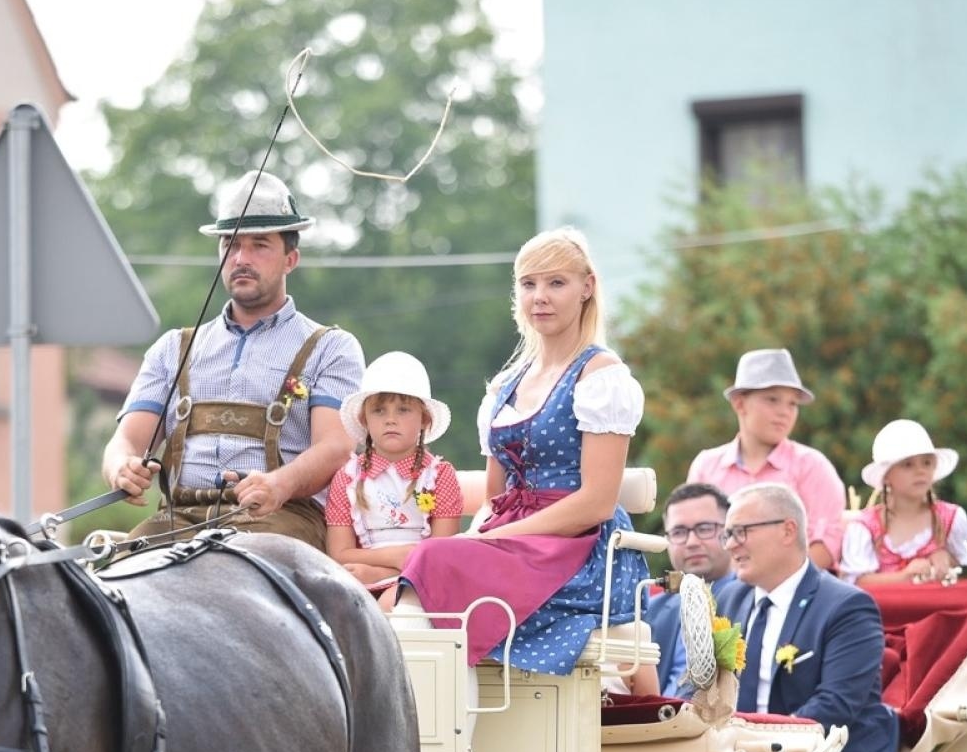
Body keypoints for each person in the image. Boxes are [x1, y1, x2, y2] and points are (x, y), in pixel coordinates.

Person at [394, 228, 656, 692]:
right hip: (515, 540)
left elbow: (595, 502)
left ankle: (439, 729)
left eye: (556, 283)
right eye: (528, 284)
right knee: (405, 574)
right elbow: (497, 496)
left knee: (434, 559)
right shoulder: (504, 386)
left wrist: (497, 539)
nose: (540, 297)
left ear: (587, 287)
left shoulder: (601, 376)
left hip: (578, 545)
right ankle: (432, 726)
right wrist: (485, 535)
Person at [101, 170, 363, 548]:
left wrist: (279, 484)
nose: (241, 258)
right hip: (176, 519)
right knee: (108, 588)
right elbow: (126, 440)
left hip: (282, 519)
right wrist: (120, 467)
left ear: (291, 258)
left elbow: (336, 447)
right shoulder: (172, 348)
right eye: (230, 243)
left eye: (260, 245)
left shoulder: (331, 348)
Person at [714, 483, 897, 752]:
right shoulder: (729, 600)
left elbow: (836, 705)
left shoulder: (846, 606)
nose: (730, 544)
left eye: (742, 531)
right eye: (727, 533)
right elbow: (711, 688)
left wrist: (758, 751)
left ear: (787, 530)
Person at [687, 348, 846, 571]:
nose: (785, 412)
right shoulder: (706, 467)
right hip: (721, 596)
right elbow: (693, 538)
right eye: (772, 400)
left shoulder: (812, 466)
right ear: (739, 404)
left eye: (792, 404)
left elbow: (828, 543)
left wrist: (774, 584)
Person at [325, 351, 463, 587]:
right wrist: (395, 558)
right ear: (364, 420)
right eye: (379, 411)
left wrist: (379, 574)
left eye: (403, 410)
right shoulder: (347, 478)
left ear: (424, 420)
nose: (390, 420)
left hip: (423, 580)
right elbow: (339, 554)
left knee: (394, 603)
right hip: (360, 580)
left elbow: (441, 554)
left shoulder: (439, 476)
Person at [840, 419, 967, 586]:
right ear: (886, 475)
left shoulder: (950, 518)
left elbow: (959, 561)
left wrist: (944, 557)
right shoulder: (866, 527)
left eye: (927, 462)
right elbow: (857, 583)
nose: (920, 471)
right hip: (884, 612)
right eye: (908, 465)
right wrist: (904, 576)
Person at [645, 482, 734, 694]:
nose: (692, 542)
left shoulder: (752, 602)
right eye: (679, 532)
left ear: (729, 532)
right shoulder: (651, 610)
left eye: (704, 529)